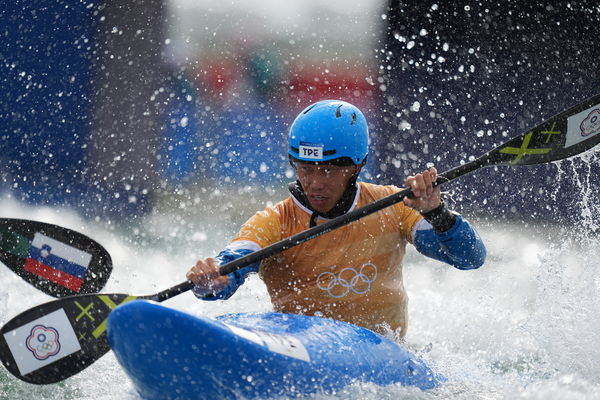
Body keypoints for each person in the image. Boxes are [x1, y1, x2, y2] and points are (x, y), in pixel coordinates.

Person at [187, 99, 486, 338]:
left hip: (383, 354)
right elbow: (235, 263)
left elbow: (470, 258)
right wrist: (214, 279)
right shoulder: (273, 222)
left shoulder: (395, 205)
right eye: (305, 168)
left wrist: (437, 213)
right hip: (304, 350)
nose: (315, 182)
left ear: (357, 166)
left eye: (328, 170)